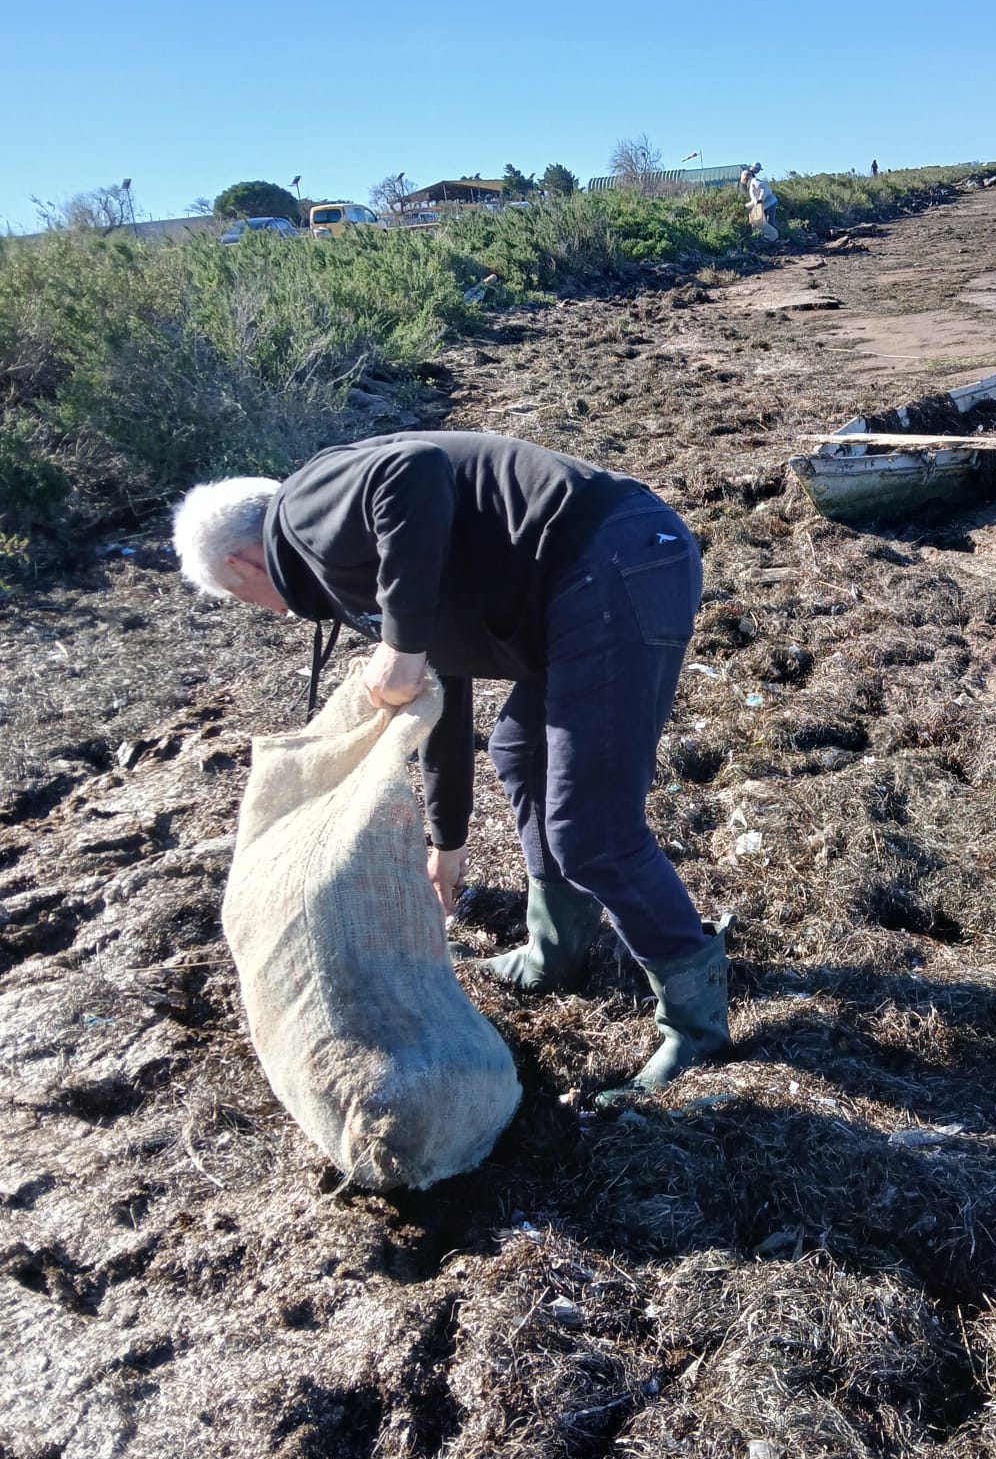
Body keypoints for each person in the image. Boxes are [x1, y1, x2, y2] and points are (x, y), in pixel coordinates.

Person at [172, 432, 728, 1100]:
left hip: (611, 562)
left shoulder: (302, 514)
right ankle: (557, 948)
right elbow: (442, 681)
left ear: (239, 567)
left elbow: (412, 470)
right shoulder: (342, 555)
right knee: (518, 749)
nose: (268, 612)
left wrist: (402, 644)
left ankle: (696, 1027)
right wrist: (448, 841)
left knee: (593, 830)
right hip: (592, 579)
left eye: (241, 601)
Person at [741, 161, 778, 233]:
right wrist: (745, 206)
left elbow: (764, 190)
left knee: (769, 221)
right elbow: (754, 201)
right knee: (761, 220)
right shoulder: (751, 183)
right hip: (767, 203)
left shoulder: (754, 181)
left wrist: (760, 199)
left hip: (771, 202)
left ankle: (774, 237)